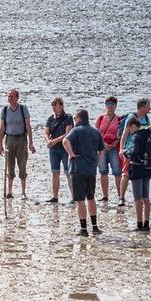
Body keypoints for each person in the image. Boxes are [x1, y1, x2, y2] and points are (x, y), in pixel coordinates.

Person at [62, 109, 105, 237]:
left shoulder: (75, 130)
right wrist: (97, 162)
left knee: (80, 200)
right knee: (91, 198)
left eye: (75, 118)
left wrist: (71, 154)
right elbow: (102, 150)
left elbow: (65, 141)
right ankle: (95, 227)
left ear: (79, 119)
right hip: (91, 169)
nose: (74, 120)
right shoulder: (95, 131)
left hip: (77, 168)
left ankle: (83, 229)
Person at [0, 89, 35, 198]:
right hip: (9, 139)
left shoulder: (23, 109)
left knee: (22, 164)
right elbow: (1, 128)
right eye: (9, 96)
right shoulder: (5, 110)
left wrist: (31, 143)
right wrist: (0, 144)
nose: (10, 98)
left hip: (21, 139)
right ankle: (10, 192)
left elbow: (28, 126)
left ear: (17, 98)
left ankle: (23, 192)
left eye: (12, 96)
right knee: (9, 165)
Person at [121, 110, 151, 232]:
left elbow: (133, 152)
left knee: (137, 198)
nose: (129, 132)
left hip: (136, 169)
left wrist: (125, 153)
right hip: (147, 169)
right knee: (146, 197)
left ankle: (139, 224)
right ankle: (147, 223)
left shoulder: (136, 137)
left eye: (129, 129)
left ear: (132, 126)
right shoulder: (147, 135)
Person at [119, 98, 151, 207]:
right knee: (126, 174)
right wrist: (121, 148)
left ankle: (142, 197)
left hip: (142, 152)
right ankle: (121, 198)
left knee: (142, 175)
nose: (150, 108)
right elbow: (124, 134)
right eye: (148, 106)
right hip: (130, 150)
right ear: (143, 107)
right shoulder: (131, 118)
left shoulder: (147, 119)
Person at [44, 97, 75, 203]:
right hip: (53, 150)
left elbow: (68, 133)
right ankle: (55, 196)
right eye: (52, 105)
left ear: (61, 106)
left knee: (68, 172)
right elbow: (46, 132)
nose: (54, 108)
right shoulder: (50, 118)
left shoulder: (68, 118)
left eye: (55, 105)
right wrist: (48, 140)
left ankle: (74, 196)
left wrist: (55, 141)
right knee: (55, 172)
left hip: (65, 148)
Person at [95, 97, 124, 204]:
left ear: (116, 106)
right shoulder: (100, 119)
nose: (110, 106)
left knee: (117, 172)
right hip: (102, 148)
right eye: (108, 104)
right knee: (103, 172)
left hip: (114, 148)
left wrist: (114, 144)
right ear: (105, 105)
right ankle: (105, 196)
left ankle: (121, 196)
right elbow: (96, 133)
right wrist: (103, 144)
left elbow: (121, 135)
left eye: (112, 104)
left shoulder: (119, 120)